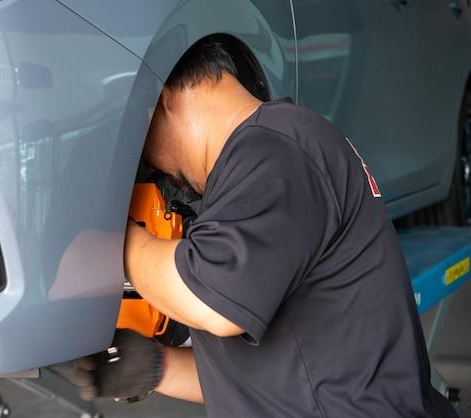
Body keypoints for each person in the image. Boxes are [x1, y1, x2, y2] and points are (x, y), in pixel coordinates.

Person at [70, 41, 458, 417]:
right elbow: (268, 377)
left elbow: (210, 304)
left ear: (162, 97)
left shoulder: (273, 149)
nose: (152, 165)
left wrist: (115, 238)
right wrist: (157, 367)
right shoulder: (278, 150)